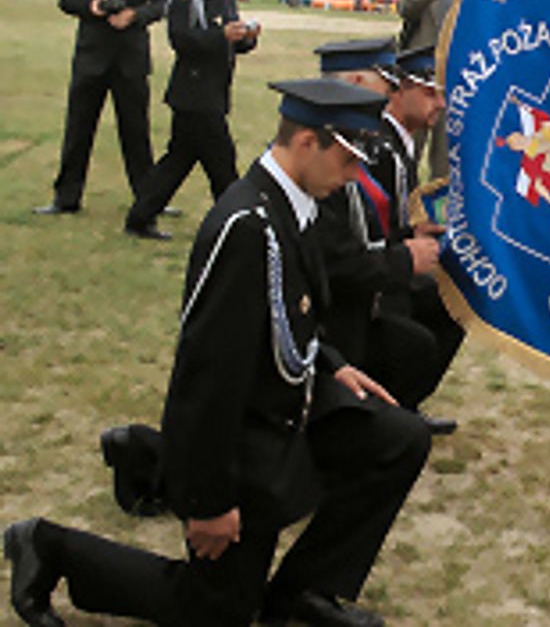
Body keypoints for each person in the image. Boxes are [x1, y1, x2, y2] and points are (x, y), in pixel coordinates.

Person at [4, 79, 430, 626]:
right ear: (306, 142)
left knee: (399, 439)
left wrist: (332, 363)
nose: (355, 175)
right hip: (244, 435)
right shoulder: (247, 228)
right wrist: (208, 502)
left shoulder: (293, 205)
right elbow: (206, 376)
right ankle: (48, 546)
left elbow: (290, 314)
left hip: (286, 404)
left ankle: (304, 591)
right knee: (216, 610)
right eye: (348, 160)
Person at [313, 39, 462, 432]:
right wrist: (403, 255)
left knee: (452, 304)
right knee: (414, 342)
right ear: (360, 81)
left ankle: (396, 413)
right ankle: (385, 415)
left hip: (369, 275)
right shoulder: (361, 149)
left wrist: (410, 234)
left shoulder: (389, 144)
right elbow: (344, 248)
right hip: (349, 299)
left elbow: (373, 228)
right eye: (387, 83)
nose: (391, 92)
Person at [35, 0, 168, 216]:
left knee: (136, 132)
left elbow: (162, 2)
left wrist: (134, 15)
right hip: (91, 59)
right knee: (78, 130)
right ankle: (66, 199)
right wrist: (90, 7)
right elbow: (66, 0)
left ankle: (147, 200)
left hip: (131, 60)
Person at [124, 0, 260, 240]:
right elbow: (181, 40)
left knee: (178, 160)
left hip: (214, 93)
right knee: (222, 163)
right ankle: (236, 224)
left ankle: (140, 217)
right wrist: (220, 35)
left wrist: (247, 37)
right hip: (194, 95)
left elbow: (232, 44)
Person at [398, 0, 468, 181]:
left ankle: (438, 216)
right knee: (408, 152)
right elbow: (406, 7)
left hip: (452, 84)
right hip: (416, 81)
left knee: (444, 161)